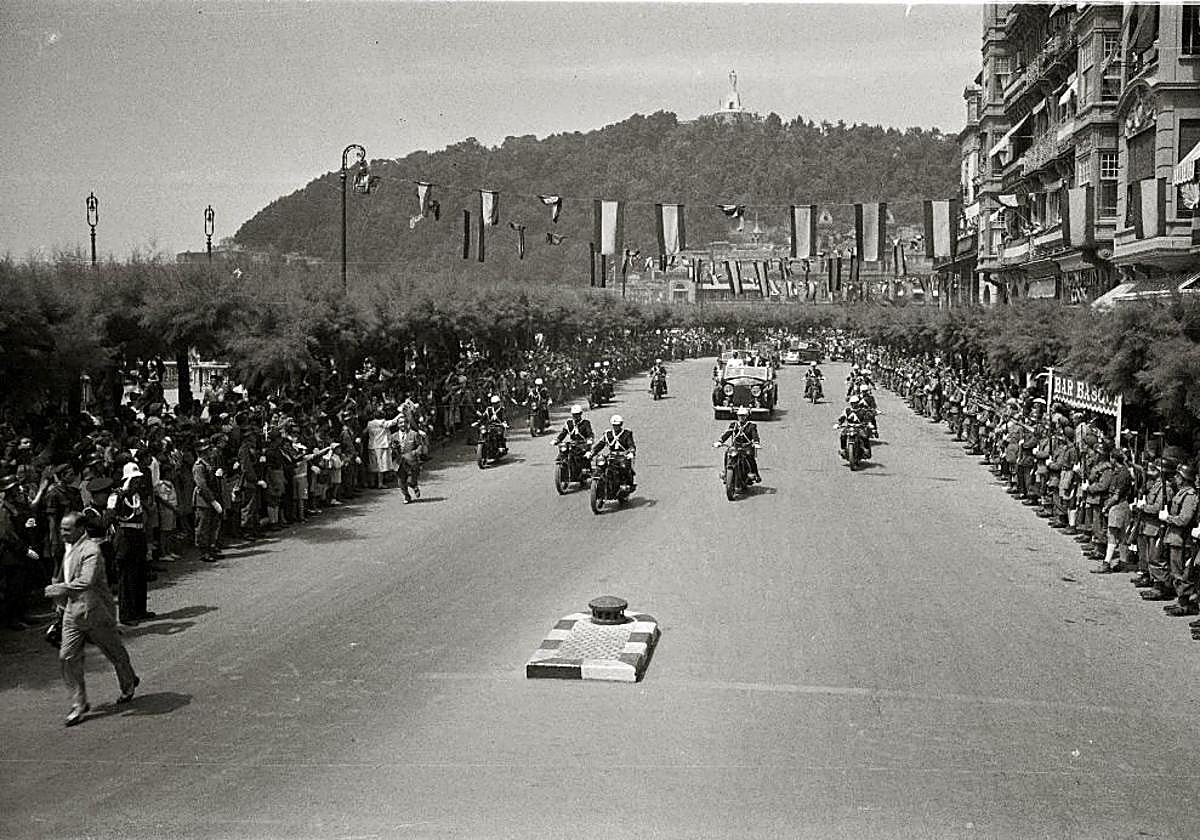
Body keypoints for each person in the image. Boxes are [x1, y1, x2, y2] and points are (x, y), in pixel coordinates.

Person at [45, 512, 139, 727]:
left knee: (115, 652)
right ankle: (79, 704)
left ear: (80, 529)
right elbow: (60, 573)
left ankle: (128, 683)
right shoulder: (65, 548)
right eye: (61, 529)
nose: (62, 533)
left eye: (67, 530)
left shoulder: (91, 550)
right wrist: (58, 601)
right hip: (71, 612)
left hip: (95, 611)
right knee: (67, 656)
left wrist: (61, 588)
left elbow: (86, 580)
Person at [111, 461, 155, 624]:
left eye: (138, 480)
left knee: (140, 574)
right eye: (134, 480)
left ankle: (139, 609)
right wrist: (124, 490)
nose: (137, 482)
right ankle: (126, 614)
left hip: (138, 535)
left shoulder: (136, 496)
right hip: (125, 537)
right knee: (126, 578)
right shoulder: (118, 495)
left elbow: (145, 512)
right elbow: (114, 511)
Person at [192, 438, 222, 563]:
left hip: (211, 497)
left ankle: (211, 548)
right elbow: (202, 486)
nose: (209, 452)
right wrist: (213, 501)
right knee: (203, 526)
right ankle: (204, 551)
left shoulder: (208, 463)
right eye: (207, 450)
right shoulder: (199, 466)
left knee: (212, 525)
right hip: (203, 500)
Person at [715, 407, 761, 483]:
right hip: (736, 446)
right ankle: (726, 473)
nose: (741, 418)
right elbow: (727, 433)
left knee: (750, 456)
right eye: (739, 416)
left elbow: (754, 434)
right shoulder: (734, 425)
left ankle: (754, 473)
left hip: (746, 446)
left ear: (746, 416)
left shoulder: (751, 426)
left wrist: (756, 442)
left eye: (743, 416)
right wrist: (720, 441)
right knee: (727, 454)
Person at [590, 414, 636, 490]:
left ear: (621, 425)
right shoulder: (608, 434)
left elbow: (631, 445)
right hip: (612, 456)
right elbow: (600, 444)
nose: (616, 427)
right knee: (601, 465)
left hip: (623, 457)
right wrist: (592, 452)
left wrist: (631, 452)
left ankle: (625, 484)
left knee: (624, 467)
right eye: (614, 425)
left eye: (617, 425)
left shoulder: (626, 434)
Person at [393, 417, 424, 504]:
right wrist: (393, 449)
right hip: (399, 462)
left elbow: (420, 446)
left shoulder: (413, 434)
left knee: (410, 481)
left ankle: (414, 486)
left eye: (404, 422)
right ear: (398, 425)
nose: (402, 424)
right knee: (401, 482)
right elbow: (390, 449)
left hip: (412, 461)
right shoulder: (394, 436)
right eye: (400, 423)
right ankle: (407, 496)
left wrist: (415, 453)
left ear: (408, 423)